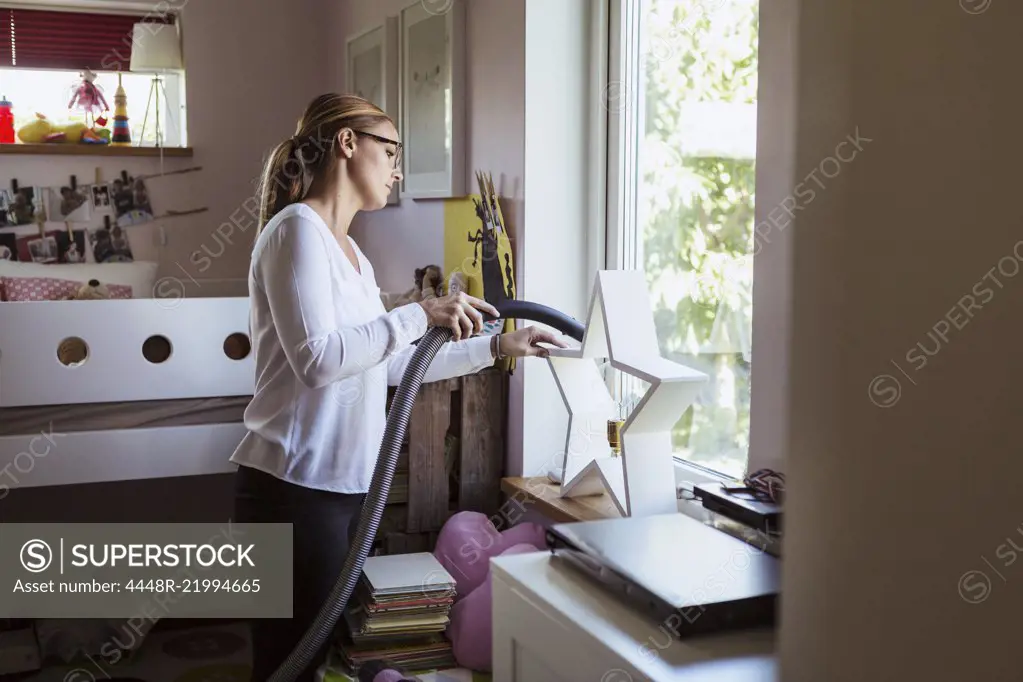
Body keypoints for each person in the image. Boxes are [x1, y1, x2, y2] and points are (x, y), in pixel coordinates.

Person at [229, 93, 566, 682]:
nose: (398, 169)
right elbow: (318, 360)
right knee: (287, 662)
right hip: (290, 489)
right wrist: (421, 312)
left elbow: (384, 366)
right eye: (390, 151)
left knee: (317, 651)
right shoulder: (295, 231)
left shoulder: (353, 254)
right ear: (346, 143)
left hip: (339, 489)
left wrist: (495, 346)